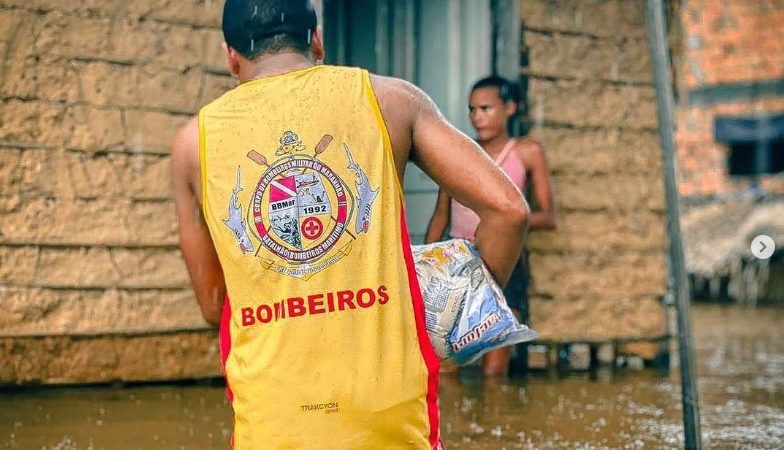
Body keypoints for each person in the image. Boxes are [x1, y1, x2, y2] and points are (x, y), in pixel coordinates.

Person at [170, 1, 528, 448]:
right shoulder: (391, 100)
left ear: (231, 56)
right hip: (388, 415)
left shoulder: (192, 145)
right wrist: (458, 317)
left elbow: (213, 304)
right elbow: (509, 211)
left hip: (276, 420)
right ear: (316, 40)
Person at [425, 75, 557, 377]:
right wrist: (427, 266)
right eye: (472, 110)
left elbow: (548, 217)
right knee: (445, 367)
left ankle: (495, 418)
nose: (476, 117)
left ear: (509, 108)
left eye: (486, 108)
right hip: (458, 266)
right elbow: (441, 215)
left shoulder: (526, 152)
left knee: (494, 372)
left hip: (506, 265)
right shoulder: (460, 151)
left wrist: (500, 224)